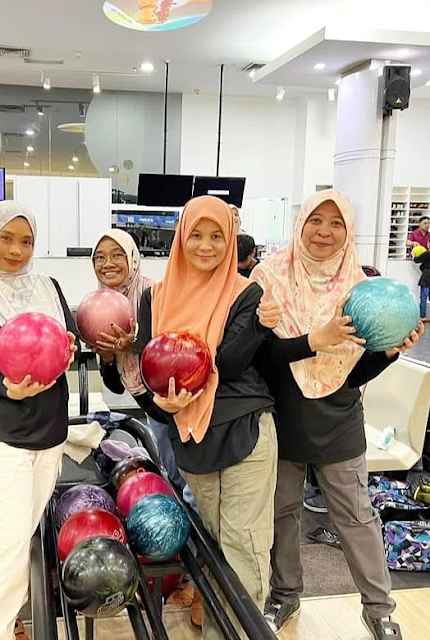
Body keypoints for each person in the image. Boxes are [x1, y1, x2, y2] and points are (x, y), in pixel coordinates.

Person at [251, 189, 422, 640]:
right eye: (316, 220)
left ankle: (379, 609)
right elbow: (259, 358)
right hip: (280, 414)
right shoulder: (268, 278)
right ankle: (285, 595)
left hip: (338, 417)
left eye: (336, 223)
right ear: (300, 223)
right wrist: (314, 339)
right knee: (281, 513)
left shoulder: (360, 288)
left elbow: (353, 373)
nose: (324, 231)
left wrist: (387, 353)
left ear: (349, 231)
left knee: (356, 516)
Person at [134, 196, 281, 639]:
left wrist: (258, 327)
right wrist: (162, 406)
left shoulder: (245, 292)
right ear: (181, 237)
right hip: (190, 436)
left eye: (217, 236)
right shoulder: (154, 298)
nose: (206, 245)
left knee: (244, 544)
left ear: (231, 240)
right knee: (214, 545)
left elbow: (231, 365)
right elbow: (148, 372)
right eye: (196, 234)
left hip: (244, 428)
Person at [0, 201, 77, 640]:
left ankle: (9, 624)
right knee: (8, 545)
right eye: (6, 238)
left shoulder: (48, 286)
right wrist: (11, 388)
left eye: (26, 241)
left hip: (49, 431)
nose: (16, 250)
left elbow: (66, 337)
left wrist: (70, 348)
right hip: (4, 436)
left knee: (23, 536)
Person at [90, 229, 199, 613]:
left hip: (180, 401)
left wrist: (132, 343)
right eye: (100, 257)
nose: (108, 263)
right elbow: (113, 383)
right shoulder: (102, 306)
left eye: (116, 255)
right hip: (151, 405)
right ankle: (180, 573)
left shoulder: (156, 293)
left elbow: (172, 348)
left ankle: (197, 583)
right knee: (174, 482)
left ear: (133, 258)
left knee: (191, 487)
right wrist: (107, 355)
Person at [413, 247, 430, 322]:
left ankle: (423, 316)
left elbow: (416, 260)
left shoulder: (427, 253)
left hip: (426, 277)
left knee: (423, 297)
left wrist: (413, 255)